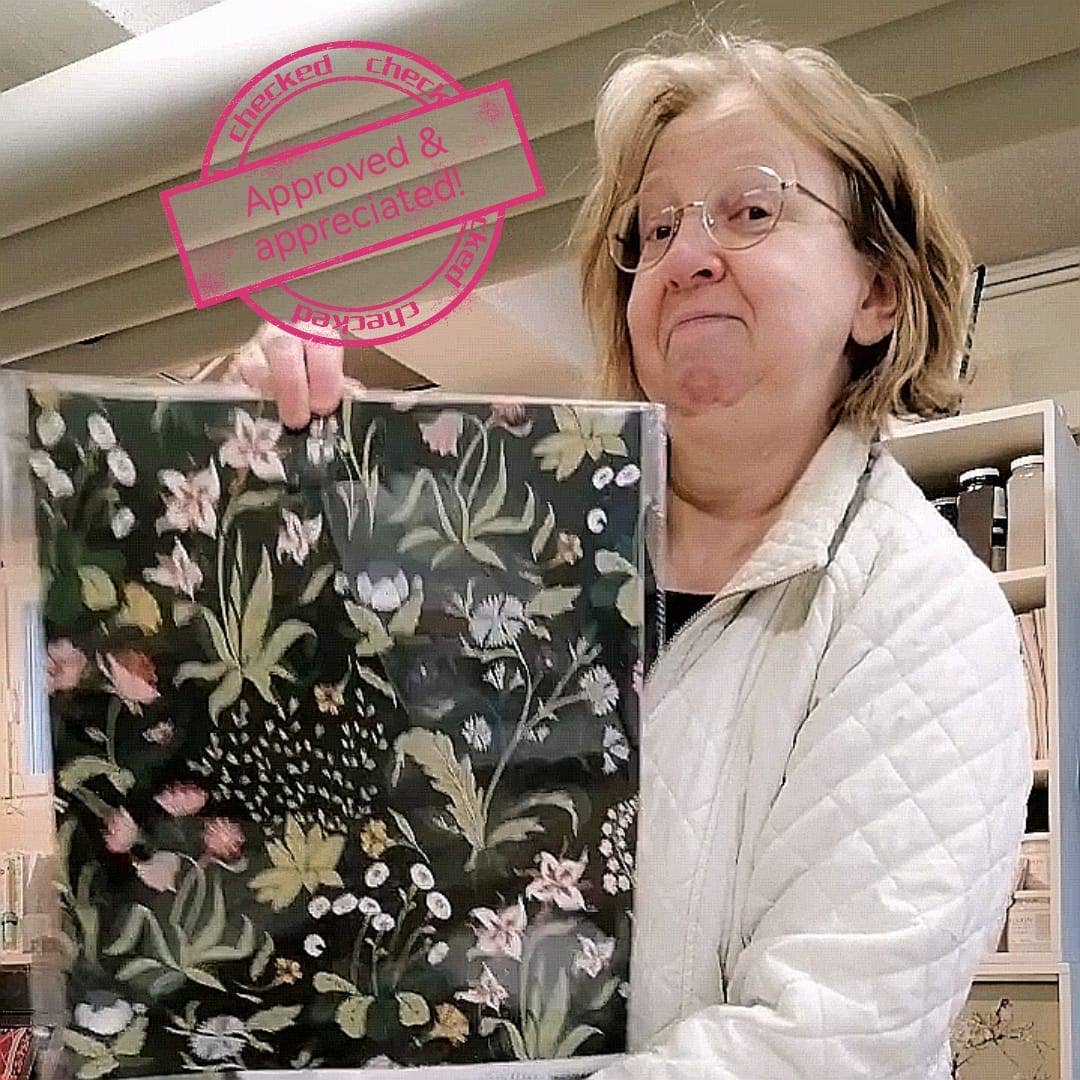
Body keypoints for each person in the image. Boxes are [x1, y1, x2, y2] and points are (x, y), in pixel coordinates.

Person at [243, 30, 1031, 1080]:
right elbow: (332, 829)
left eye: (752, 210)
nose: (688, 256)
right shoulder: (511, 539)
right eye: (657, 229)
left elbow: (824, 1045)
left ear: (877, 290)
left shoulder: (923, 614)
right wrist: (259, 477)